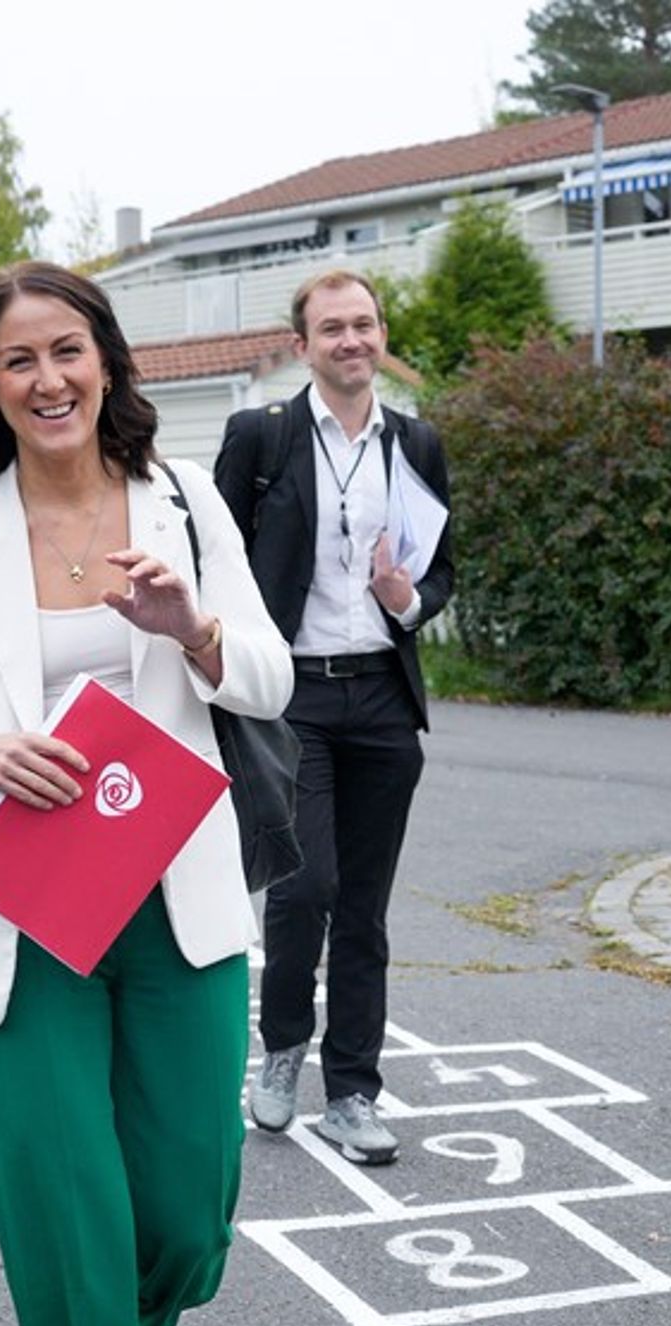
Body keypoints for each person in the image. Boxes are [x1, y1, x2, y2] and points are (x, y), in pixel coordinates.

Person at [0, 260, 292, 1326]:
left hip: (179, 909)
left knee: (179, 1224)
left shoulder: (183, 504)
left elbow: (267, 682)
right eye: (17, 359)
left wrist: (194, 626)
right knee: (69, 1237)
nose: (47, 377)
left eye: (65, 349)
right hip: (30, 921)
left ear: (106, 359)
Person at [214, 269, 454, 1166]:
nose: (351, 341)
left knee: (364, 907)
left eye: (365, 325)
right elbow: (217, 553)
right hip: (294, 696)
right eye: (332, 328)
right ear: (303, 343)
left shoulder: (417, 443)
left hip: (384, 698)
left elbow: (442, 575)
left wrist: (408, 599)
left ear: (381, 335)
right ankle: (281, 1051)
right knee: (304, 886)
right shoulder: (262, 437)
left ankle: (353, 1091)